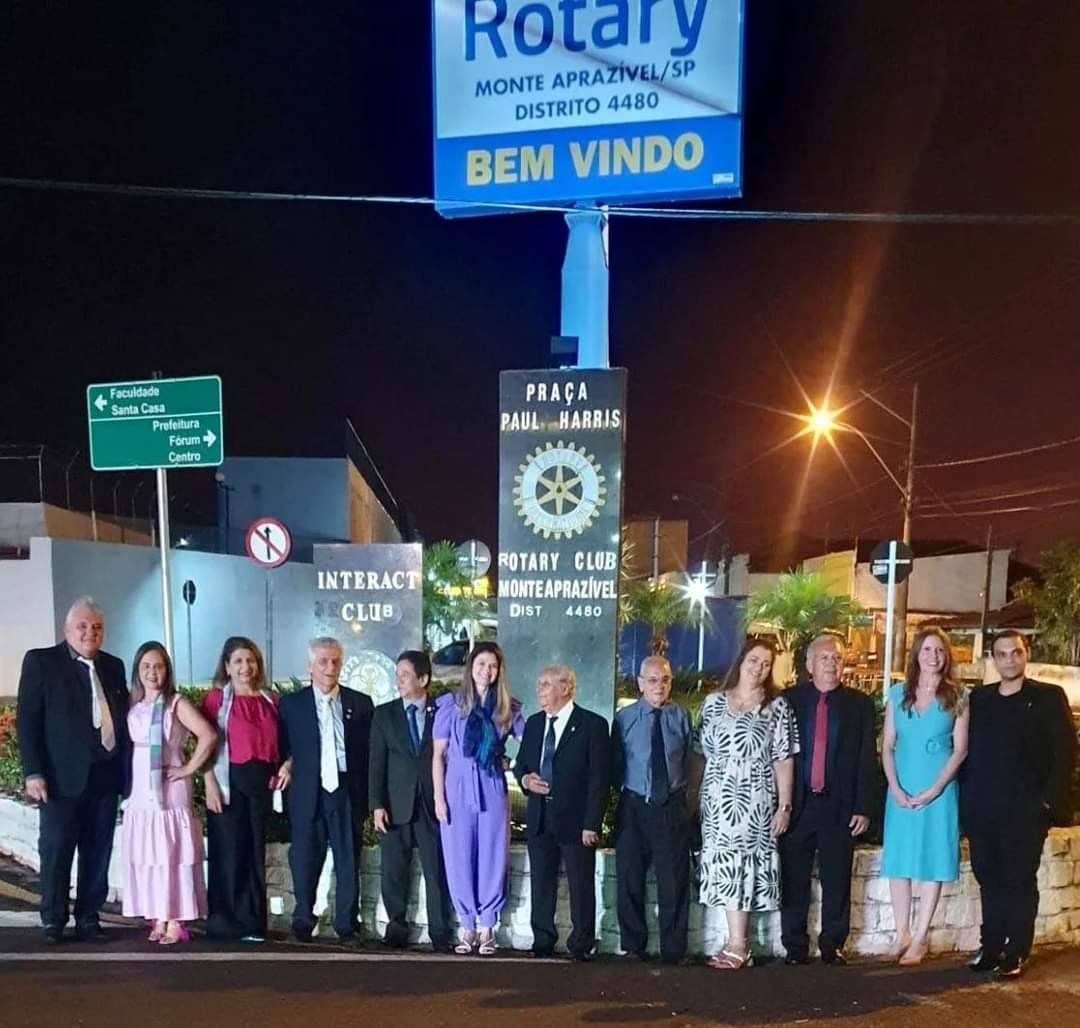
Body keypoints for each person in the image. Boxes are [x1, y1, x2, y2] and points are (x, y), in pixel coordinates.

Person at [961, 630, 1077, 978]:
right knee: (989, 879)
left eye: (1016, 652)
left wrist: (1047, 804)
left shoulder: (1048, 697)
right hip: (983, 810)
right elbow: (966, 752)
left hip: (1026, 811)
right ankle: (991, 946)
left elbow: (1065, 753)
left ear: (1026, 655)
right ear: (993, 659)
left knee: (1019, 880)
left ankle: (1016, 952)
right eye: (1002, 654)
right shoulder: (979, 699)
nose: (1010, 659)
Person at [16, 597, 132, 944]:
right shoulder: (42, 662)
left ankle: (88, 917)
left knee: (97, 852)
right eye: (82, 626)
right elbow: (28, 721)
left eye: (96, 627)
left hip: (105, 775)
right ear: (67, 630)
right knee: (57, 849)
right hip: (59, 779)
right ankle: (53, 918)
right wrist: (33, 772)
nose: (89, 633)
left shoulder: (114, 666)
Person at [696, 639, 798, 970]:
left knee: (746, 866)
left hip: (755, 797)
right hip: (717, 798)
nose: (759, 668)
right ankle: (735, 941)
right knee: (725, 867)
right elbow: (699, 753)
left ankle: (740, 944)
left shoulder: (777, 707)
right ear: (741, 661)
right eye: (754, 660)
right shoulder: (712, 703)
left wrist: (784, 806)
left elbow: (783, 758)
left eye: (766, 664)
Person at [779, 633, 876, 965]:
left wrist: (863, 806)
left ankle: (833, 944)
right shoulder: (789, 700)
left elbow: (866, 758)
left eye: (836, 657)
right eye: (824, 657)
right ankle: (794, 945)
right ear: (809, 664)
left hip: (840, 806)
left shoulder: (859, 705)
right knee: (794, 878)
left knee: (837, 879)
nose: (831, 663)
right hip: (799, 805)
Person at [881, 626, 969, 965]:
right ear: (917, 654)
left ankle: (920, 938)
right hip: (901, 787)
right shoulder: (897, 694)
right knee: (899, 863)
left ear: (947, 657)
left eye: (940, 651)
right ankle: (901, 932)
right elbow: (887, 747)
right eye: (928, 650)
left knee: (932, 862)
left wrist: (935, 789)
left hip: (940, 790)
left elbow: (960, 750)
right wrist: (895, 787)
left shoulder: (958, 696)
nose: (933, 656)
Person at [278, 637, 373, 943]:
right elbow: (282, 747)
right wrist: (287, 765)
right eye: (323, 661)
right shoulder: (292, 705)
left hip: (345, 789)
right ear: (310, 666)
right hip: (308, 790)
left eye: (335, 661)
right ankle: (303, 918)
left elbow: (369, 752)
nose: (330, 667)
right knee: (306, 857)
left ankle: (347, 924)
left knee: (348, 859)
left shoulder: (360, 704)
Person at [432, 641, 525, 956]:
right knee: (458, 855)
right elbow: (438, 755)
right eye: (481, 664)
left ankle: (487, 925)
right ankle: (466, 924)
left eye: (493, 666)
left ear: (500, 671)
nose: (487, 671)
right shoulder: (452, 704)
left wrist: (510, 761)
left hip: (491, 785)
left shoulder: (506, 708)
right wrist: (438, 797)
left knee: (492, 853)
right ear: (470, 667)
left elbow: (531, 741)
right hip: (456, 785)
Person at [122, 641, 217, 944]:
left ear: (167, 670)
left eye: (158, 666)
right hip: (141, 789)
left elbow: (208, 734)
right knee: (150, 853)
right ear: (138, 671)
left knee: (171, 852)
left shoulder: (176, 703)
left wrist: (188, 768)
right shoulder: (133, 706)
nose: (152, 672)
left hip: (170, 788)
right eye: (146, 666)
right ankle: (157, 915)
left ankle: (176, 916)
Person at [515, 666, 610, 961]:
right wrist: (525, 780)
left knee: (581, 883)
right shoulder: (533, 724)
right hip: (540, 817)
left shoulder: (592, 725)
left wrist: (592, 822)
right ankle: (542, 939)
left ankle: (581, 943)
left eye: (546, 684)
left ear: (566, 688)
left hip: (576, 819)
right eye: (539, 684)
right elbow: (521, 765)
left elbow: (599, 778)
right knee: (541, 881)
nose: (539, 690)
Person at [611, 655, 693, 965]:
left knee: (673, 880)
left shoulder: (681, 716)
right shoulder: (625, 718)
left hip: (670, 805)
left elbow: (689, 758)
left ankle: (674, 950)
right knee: (630, 878)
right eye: (653, 680)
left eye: (666, 680)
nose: (659, 686)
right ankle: (633, 946)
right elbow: (616, 761)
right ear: (640, 683)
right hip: (634, 805)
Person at [369, 650, 453, 952]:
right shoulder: (385, 714)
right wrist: (376, 804)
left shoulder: (443, 710)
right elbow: (376, 763)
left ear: (424, 679)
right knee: (393, 870)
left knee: (436, 869)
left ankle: (441, 931)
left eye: (405, 675)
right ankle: (396, 927)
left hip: (433, 804)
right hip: (396, 803)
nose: (399, 681)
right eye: (397, 675)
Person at [201, 637, 280, 942]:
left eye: (250, 661)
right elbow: (205, 744)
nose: (245, 667)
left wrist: (287, 766)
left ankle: (252, 923)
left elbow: (285, 743)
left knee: (254, 853)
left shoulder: (271, 701)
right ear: (227, 667)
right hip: (226, 783)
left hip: (261, 785)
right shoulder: (216, 700)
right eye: (238, 661)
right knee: (227, 850)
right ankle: (224, 922)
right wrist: (209, 782)